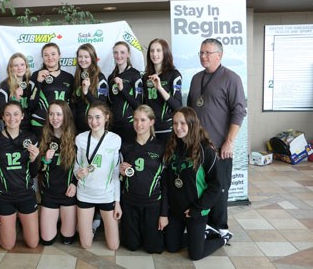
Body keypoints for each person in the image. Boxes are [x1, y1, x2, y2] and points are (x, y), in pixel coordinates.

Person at [187, 38, 246, 239]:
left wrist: (229, 142)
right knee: (200, 187)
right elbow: (190, 114)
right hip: (197, 147)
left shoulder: (232, 78)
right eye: (201, 53)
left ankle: (220, 228)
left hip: (220, 147)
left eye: (207, 53)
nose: (203, 56)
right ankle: (204, 225)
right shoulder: (196, 79)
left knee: (219, 189)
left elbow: (239, 112)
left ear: (219, 55)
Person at [163, 107, 230, 260]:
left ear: (192, 124)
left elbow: (216, 186)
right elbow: (167, 181)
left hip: (196, 211)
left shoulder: (205, 150)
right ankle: (199, 236)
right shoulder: (172, 146)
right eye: (175, 124)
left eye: (183, 123)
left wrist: (197, 208)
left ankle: (221, 239)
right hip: (176, 211)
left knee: (195, 255)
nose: (178, 128)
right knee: (171, 247)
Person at [0, 100, 40, 250]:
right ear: (2, 117)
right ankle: (2, 230)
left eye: (16, 114)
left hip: (26, 194)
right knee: (8, 245)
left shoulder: (31, 139)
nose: (12, 118)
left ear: (22, 116)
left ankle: (16, 224)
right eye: (8, 115)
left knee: (33, 243)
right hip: (4, 196)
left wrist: (34, 159)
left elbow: (34, 173)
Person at [74, 101, 121, 250]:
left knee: (113, 246)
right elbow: (76, 166)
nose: (93, 122)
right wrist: (78, 173)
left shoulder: (115, 140)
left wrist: (117, 202)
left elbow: (115, 173)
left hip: (106, 194)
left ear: (106, 117)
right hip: (85, 193)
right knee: (86, 245)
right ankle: (93, 225)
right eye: (90, 117)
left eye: (98, 117)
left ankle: (97, 220)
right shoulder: (80, 138)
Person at [119, 105, 167, 253]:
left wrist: (164, 214)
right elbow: (118, 178)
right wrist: (120, 171)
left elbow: (165, 184)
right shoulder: (125, 146)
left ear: (151, 122)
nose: (139, 124)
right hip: (130, 203)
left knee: (152, 248)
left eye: (143, 120)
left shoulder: (161, 147)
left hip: (152, 204)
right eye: (136, 120)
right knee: (131, 246)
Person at [39, 100, 77, 245]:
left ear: (66, 116)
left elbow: (81, 165)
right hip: (49, 193)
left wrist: (75, 184)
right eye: (51, 114)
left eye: (59, 114)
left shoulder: (75, 139)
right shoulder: (44, 137)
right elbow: (38, 169)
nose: (55, 118)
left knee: (67, 240)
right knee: (47, 241)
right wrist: (45, 160)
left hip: (68, 193)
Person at [29, 43, 74, 138]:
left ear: (59, 55)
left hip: (62, 125)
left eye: (53, 54)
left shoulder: (69, 77)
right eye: (46, 55)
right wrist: (38, 82)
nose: (50, 58)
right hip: (40, 124)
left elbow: (73, 103)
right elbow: (31, 104)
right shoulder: (35, 75)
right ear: (42, 57)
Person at [143, 38, 182, 143]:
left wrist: (160, 88)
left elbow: (178, 106)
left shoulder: (174, 75)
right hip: (150, 129)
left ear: (165, 52)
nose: (154, 54)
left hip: (167, 129)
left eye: (158, 50)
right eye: (152, 51)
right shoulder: (146, 77)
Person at [107, 41, 143, 143]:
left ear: (128, 54)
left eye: (122, 52)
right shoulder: (111, 77)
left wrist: (123, 89)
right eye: (116, 53)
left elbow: (139, 104)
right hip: (113, 125)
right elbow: (110, 102)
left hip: (129, 125)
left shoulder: (135, 75)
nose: (119, 56)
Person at [72, 43, 109, 133]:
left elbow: (103, 106)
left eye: (86, 57)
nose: (83, 60)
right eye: (80, 57)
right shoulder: (77, 77)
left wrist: (86, 92)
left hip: (94, 127)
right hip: (78, 128)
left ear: (92, 58)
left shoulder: (100, 78)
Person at [0, 53, 32, 132]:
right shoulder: (4, 86)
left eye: (22, 64)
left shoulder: (31, 83)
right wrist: (15, 99)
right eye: (16, 65)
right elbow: (0, 112)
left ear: (26, 66)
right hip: (12, 129)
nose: (20, 68)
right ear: (11, 68)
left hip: (30, 127)